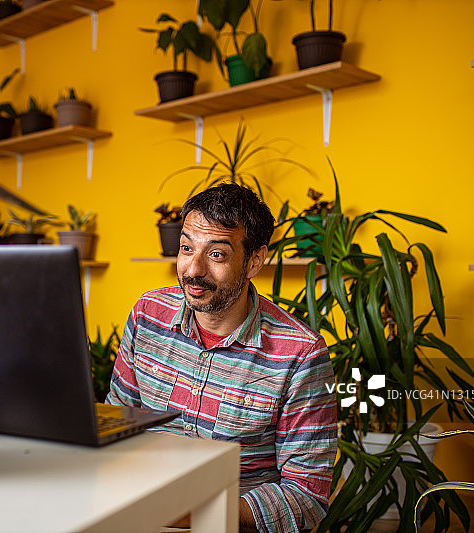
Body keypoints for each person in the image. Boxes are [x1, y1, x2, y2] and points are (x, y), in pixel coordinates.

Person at [106, 183, 336, 533]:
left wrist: (196, 514)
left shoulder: (301, 354)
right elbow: (117, 426)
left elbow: (307, 495)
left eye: (216, 255)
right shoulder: (147, 315)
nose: (193, 269)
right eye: (186, 248)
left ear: (254, 261)